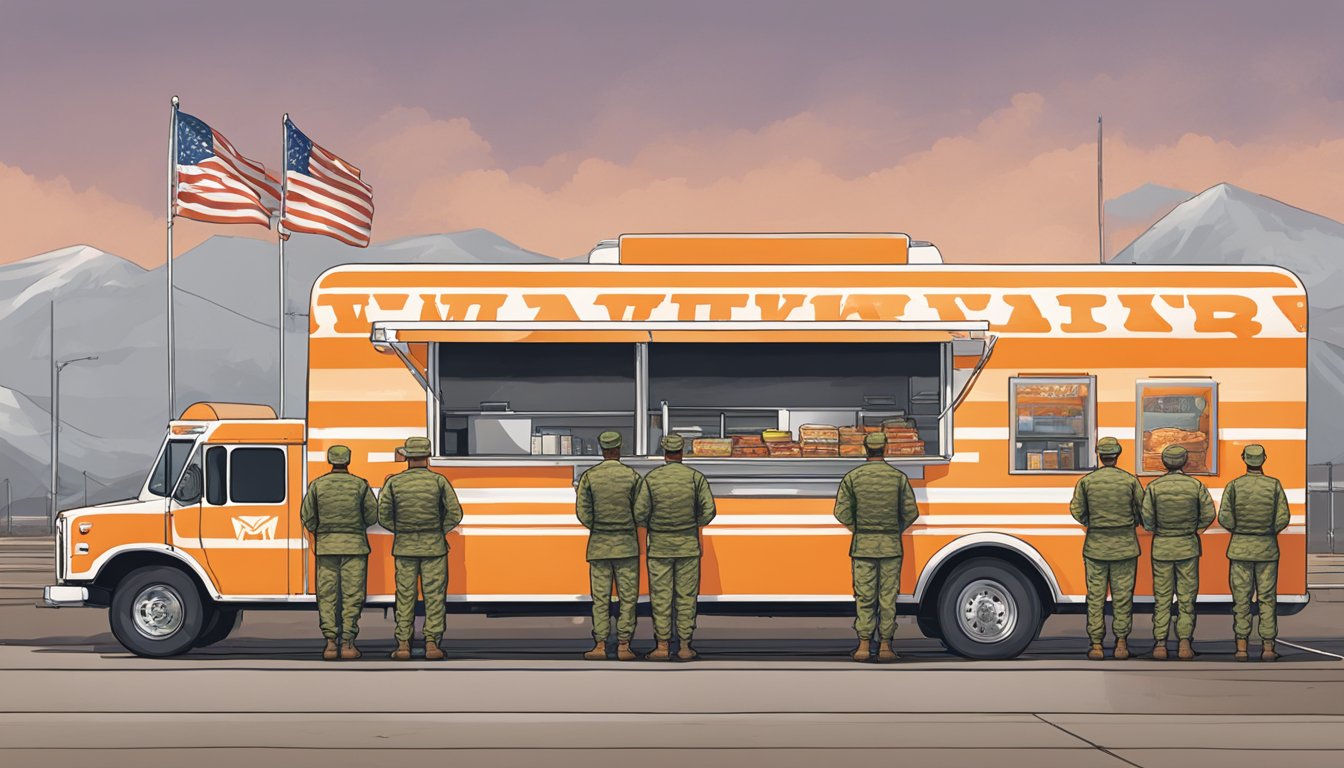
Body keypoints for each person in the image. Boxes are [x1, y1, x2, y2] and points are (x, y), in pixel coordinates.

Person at [833, 432, 919, 662]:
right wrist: (895, 529)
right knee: (888, 597)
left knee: (864, 596)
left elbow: (840, 512)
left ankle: (863, 645)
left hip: (862, 547)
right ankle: (885, 647)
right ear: (886, 449)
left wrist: (858, 528)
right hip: (891, 546)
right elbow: (911, 512)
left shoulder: (853, 477)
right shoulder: (898, 478)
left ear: (865, 449)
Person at [377, 436, 463, 661]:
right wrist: (437, 530)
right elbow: (455, 513)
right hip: (434, 548)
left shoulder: (394, 483)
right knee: (434, 597)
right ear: (427, 456)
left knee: (405, 597)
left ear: (406, 456)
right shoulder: (439, 481)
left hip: (405, 548)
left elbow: (383, 515)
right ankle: (432, 645)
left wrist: (402, 530)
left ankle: (403, 645)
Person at [635, 434, 717, 661]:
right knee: (686, 597)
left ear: (664, 452)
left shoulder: (651, 478)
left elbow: (640, 513)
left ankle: (661, 646)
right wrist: (692, 524)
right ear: (683, 451)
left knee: (661, 597)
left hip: (660, 547)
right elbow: (709, 511)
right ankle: (684, 646)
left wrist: (655, 525)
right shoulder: (695, 477)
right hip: (688, 547)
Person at [300, 445, 378, 660]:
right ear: (348, 460)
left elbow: (307, 517)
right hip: (355, 548)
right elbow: (372, 516)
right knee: (352, 596)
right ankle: (349, 643)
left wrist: (322, 531)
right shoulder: (360, 485)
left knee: (327, 596)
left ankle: (330, 644)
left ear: (330, 460)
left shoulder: (317, 485)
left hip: (326, 548)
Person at [1070, 436, 1144, 661]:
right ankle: (1121, 643)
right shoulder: (1130, 481)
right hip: (1125, 547)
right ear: (1117, 455)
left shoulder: (1086, 482)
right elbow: (1142, 510)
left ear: (1100, 456)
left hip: (1095, 547)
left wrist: (1091, 522)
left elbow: (1076, 510)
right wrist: (1132, 521)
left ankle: (1096, 645)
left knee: (1095, 598)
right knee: (1122, 597)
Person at [1141, 445, 1216, 661]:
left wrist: (1159, 530)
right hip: (1188, 547)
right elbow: (1208, 513)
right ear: (1184, 462)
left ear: (1164, 463)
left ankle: (1160, 645)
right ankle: (1184, 644)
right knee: (1186, 598)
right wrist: (1194, 530)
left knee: (1162, 598)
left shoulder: (1154, 487)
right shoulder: (1196, 486)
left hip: (1162, 548)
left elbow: (1146, 519)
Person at [1219, 444, 1291, 662]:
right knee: (1267, 599)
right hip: (1267, 550)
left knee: (1241, 600)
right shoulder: (1274, 485)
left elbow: (1224, 517)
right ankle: (1268, 648)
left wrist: (1240, 531)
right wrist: (1267, 532)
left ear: (1244, 459)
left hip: (1240, 549)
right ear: (1264, 459)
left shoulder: (1233, 486)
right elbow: (1283, 517)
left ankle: (1241, 647)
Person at [575, 431, 643, 661]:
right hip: (626, 545)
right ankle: (624, 645)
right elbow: (641, 510)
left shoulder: (589, 476)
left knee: (601, 599)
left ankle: (600, 645)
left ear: (601, 449)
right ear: (619, 448)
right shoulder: (632, 476)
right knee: (627, 598)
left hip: (599, 545)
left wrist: (599, 526)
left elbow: (582, 513)